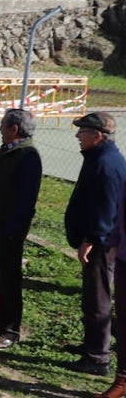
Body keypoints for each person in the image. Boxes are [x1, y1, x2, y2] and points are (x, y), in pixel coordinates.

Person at [63, 112, 126, 376]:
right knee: (92, 296)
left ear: (98, 136)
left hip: (102, 244)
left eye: (83, 131)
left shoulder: (106, 164)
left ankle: (98, 357)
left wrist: (91, 239)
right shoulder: (99, 158)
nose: (78, 136)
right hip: (98, 239)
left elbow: (107, 210)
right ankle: (92, 344)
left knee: (98, 298)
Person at [0, 108, 42, 350]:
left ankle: (10, 330)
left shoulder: (27, 155)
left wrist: (13, 232)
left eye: (3, 125)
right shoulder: (9, 150)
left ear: (14, 129)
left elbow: (26, 201)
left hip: (6, 232)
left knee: (8, 280)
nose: (0, 129)